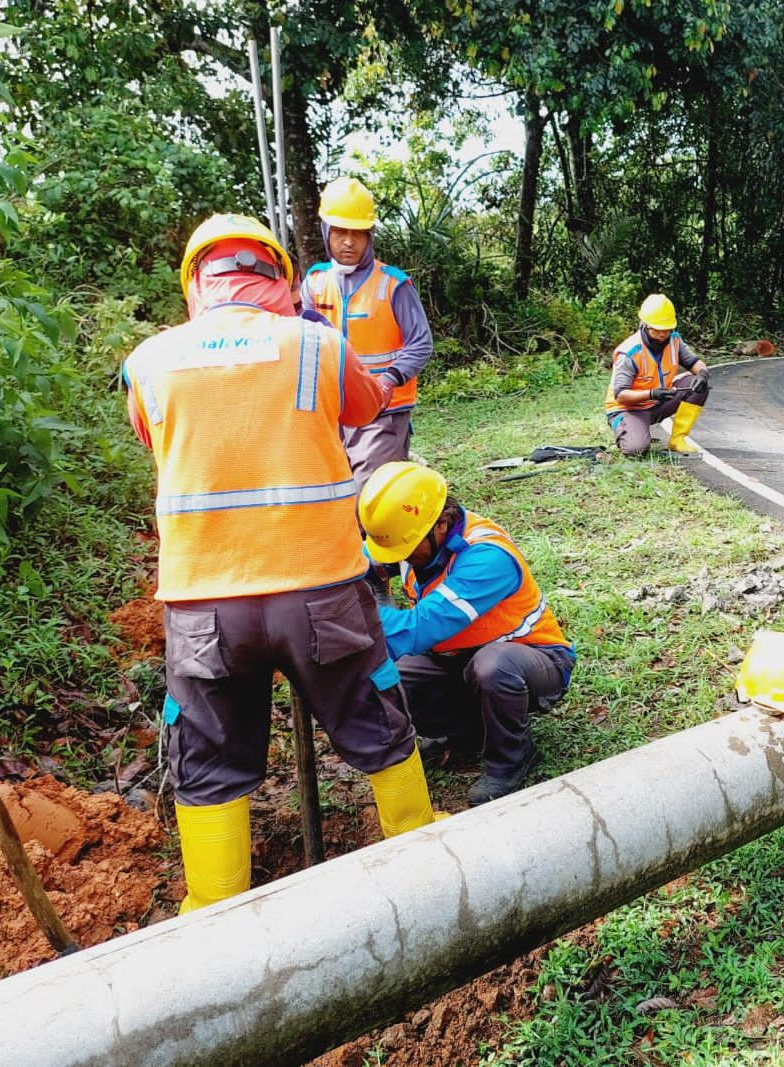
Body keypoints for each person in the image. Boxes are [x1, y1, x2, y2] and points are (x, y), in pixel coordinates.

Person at [123, 214, 441, 914]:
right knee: (374, 716)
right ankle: (420, 854)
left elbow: (153, 435)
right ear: (283, 277)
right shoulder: (314, 345)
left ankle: (212, 904)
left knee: (206, 754)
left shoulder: (147, 361)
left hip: (205, 602)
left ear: (194, 282)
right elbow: (365, 406)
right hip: (319, 589)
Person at [357, 462, 575, 806]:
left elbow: (417, 630)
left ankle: (511, 759)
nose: (398, 560)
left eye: (404, 552)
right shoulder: (408, 534)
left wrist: (361, 618)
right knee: (393, 680)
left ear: (441, 525)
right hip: (455, 657)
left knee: (492, 667)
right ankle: (470, 733)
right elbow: (362, 562)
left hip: (530, 658)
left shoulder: (486, 558)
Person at [301, 176, 434, 486]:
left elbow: (421, 343)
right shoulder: (315, 284)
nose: (349, 242)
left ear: (370, 236)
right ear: (326, 232)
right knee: (330, 492)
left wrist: (389, 380)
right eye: (340, 233)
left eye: (358, 233)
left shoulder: (393, 284)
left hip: (382, 415)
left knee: (368, 493)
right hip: (332, 412)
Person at [604, 293, 711, 456]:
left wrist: (703, 374)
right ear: (645, 325)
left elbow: (695, 363)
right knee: (636, 450)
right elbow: (621, 395)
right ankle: (629, 430)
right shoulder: (629, 353)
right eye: (658, 330)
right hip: (628, 408)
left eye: (667, 329)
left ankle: (678, 439)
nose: (663, 334)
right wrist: (651, 394)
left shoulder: (674, 340)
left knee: (698, 385)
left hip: (658, 402)